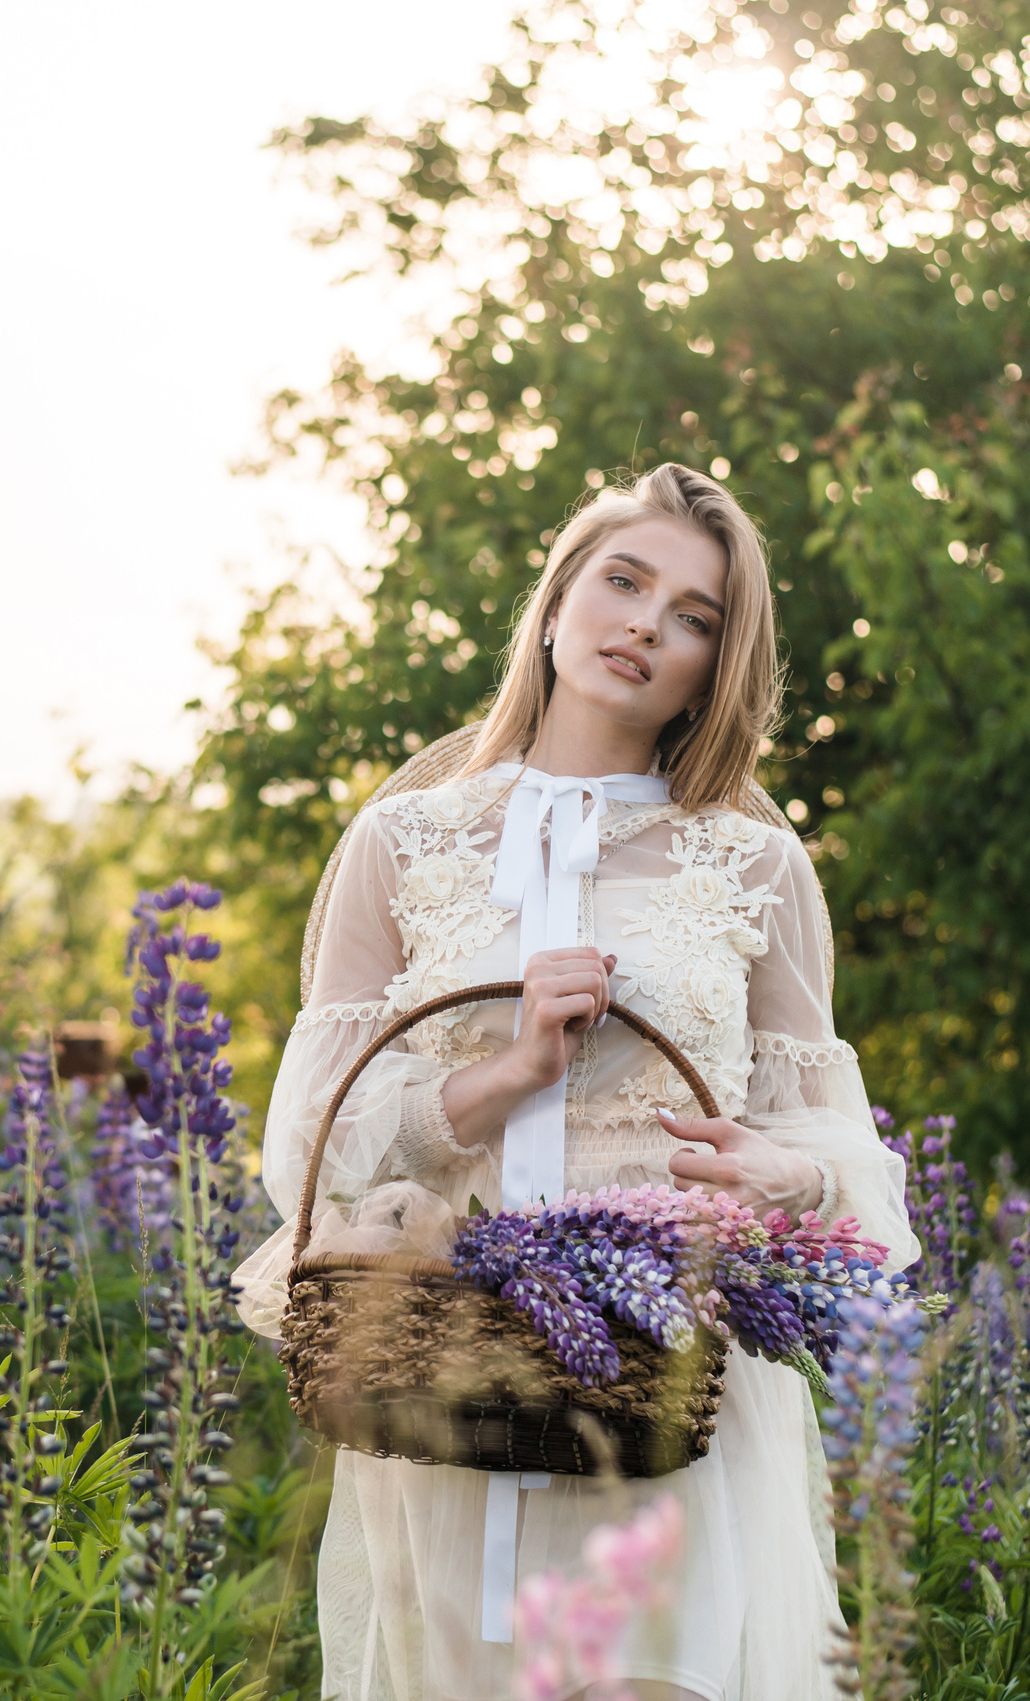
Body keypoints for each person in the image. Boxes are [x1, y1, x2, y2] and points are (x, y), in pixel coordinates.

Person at [234, 463, 919, 1701]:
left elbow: (844, 1160)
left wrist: (786, 1170)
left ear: (713, 665)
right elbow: (310, 1149)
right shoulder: (401, 841)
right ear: (554, 605)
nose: (649, 623)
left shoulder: (755, 862)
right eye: (624, 580)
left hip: (669, 1394)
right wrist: (507, 1072)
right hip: (444, 1383)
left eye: (695, 616)